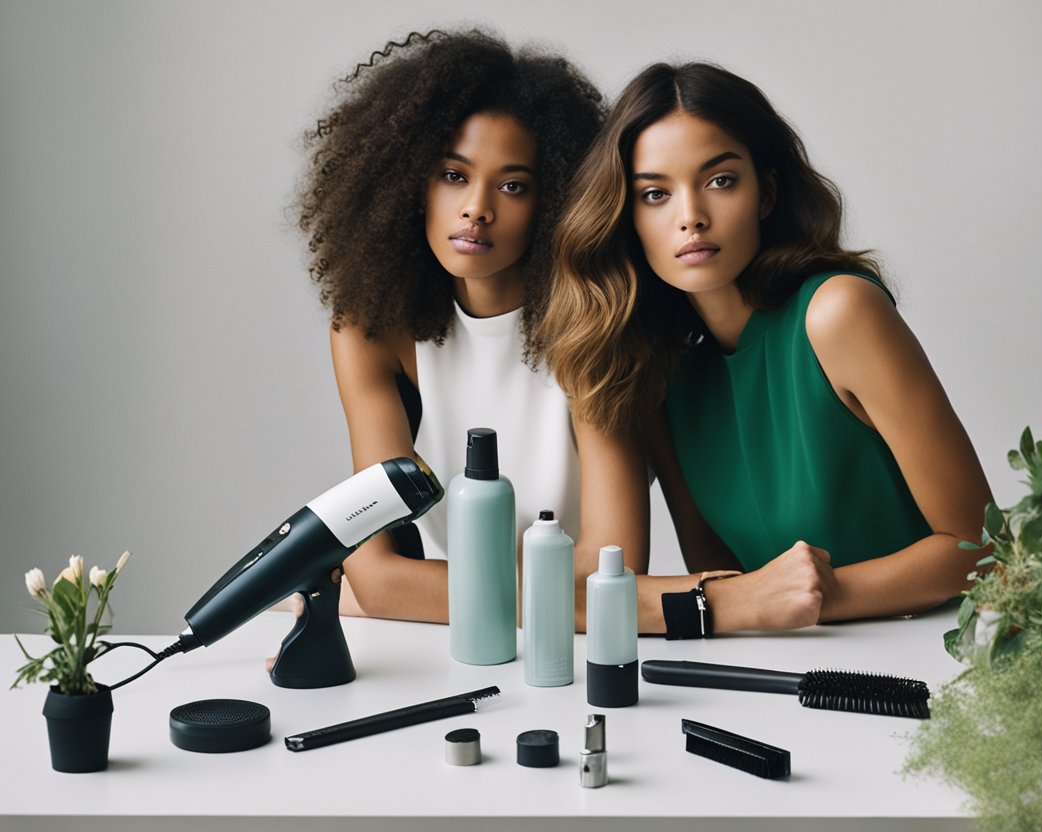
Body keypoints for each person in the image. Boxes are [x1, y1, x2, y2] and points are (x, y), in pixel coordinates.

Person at [540, 62, 993, 635]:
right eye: (655, 194)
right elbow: (723, 577)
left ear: (767, 193)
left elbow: (981, 549)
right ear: (627, 218)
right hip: (782, 665)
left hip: (935, 649)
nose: (691, 218)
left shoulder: (838, 314)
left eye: (721, 180)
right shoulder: (659, 371)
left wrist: (823, 594)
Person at [292, 30, 660, 626]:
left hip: (570, 654)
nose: (477, 208)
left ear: (554, 202)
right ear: (410, 182)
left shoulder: (592, 328)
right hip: (445, 650)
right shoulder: (370, 334)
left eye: (513, 186)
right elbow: (377, 576)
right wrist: (382, 592)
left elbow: (612, 574)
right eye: (454, 176)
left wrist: (399, 592)